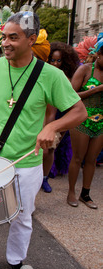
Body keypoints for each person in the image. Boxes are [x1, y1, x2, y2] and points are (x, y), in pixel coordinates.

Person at [0, 11, 87, 269]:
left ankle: (16, 261)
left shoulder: (50, 75)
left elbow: (79, 111)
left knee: (22, 215)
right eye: (4, 36)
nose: (5, 43)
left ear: (31, 40)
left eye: (13, 38)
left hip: (27, 161)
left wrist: (52, 127)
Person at [68, 38, 103, 209]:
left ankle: (85, 193)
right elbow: (71, 95)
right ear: (99, 54)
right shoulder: (85, 70)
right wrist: (97, 89)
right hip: (81, 118)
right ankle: (71, 192)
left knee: (92, 159)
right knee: (77, 158)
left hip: (101, 122)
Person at [41, 42, 80, 193]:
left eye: (59, 60)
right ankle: (39, 177)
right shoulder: (46, 75)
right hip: (46, 116)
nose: (55, 63)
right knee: (44, 150)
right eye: (53, 60)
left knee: (51, 149)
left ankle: (44, 178)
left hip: (61, 117)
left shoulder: (67, 78)